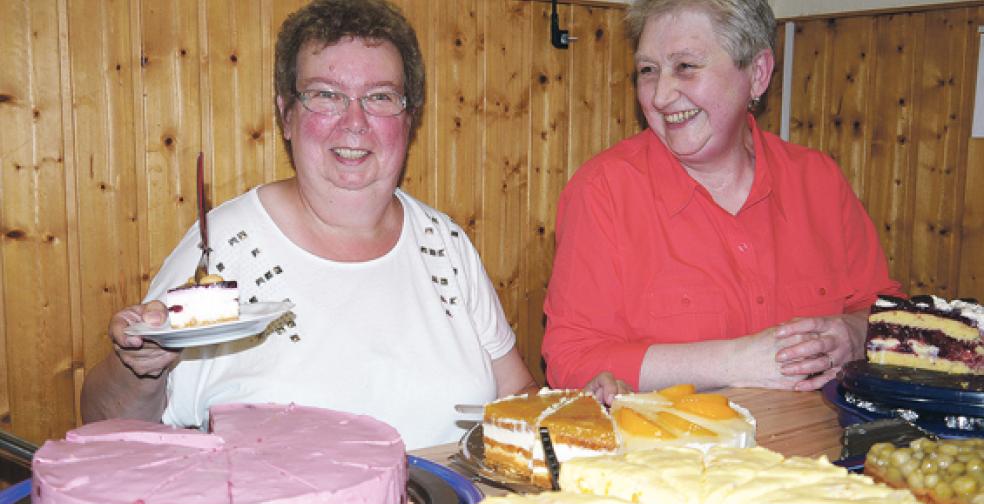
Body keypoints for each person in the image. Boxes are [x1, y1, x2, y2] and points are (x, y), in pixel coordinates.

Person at [81, 0, 538, 450]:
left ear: (409, 118)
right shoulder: (223, 246)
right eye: (325, 95)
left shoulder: (446, 245)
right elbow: (110, 429)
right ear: (286, 115)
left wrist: (577, 412)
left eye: (380, 97)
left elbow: (518, 396)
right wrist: (141, 366)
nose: (354, 123)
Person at [543, 0, 901, 398]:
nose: (660, 96)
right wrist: (738, 362)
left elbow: (886, 311)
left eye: (686, 67)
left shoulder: (818, 180)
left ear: (758, 73)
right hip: (675, 454)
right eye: (648, 71)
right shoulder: (602, 191)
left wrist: (853, 333)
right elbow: (570, 361)